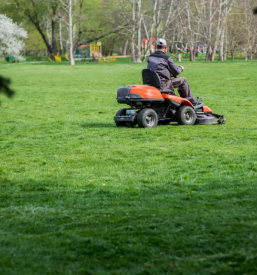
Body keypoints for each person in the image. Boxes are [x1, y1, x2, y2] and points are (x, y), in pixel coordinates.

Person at [147, 38, 200, 105]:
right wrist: (181, 68)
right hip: (163, 85)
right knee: (183, 80)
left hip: (151, 84)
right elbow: (176, 71)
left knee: (173, 80)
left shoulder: (150, 57)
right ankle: (190, 100)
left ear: (157, 46)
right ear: (165, 47)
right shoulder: (166, 58)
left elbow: (158, 69)